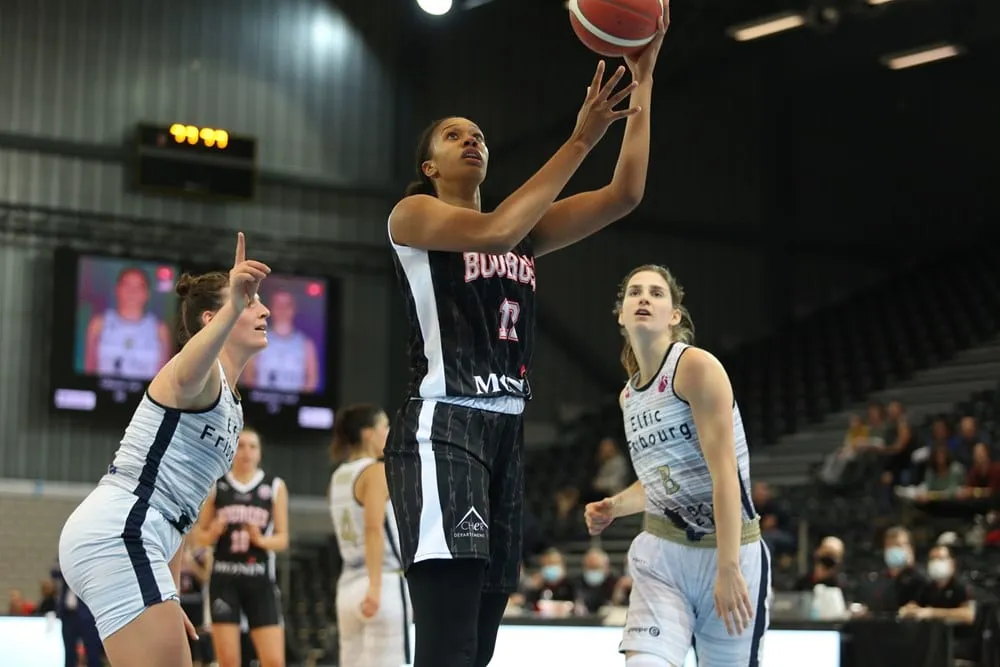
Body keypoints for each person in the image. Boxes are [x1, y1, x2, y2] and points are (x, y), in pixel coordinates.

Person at [384, 13, 667, 665]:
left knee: (479, 647)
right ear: (429, 164)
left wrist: (644, 79)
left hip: (507, 435)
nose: (472, 140)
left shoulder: (524, 228)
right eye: (455, 135)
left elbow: (625, 194)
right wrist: (580, 138)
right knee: (448, 645)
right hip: (444, 429)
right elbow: (492, 234)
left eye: (479, 134)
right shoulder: (414, 216)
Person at [58, 232, 271, 667]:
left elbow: (179, 514)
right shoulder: (197, 373)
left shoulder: (231, 402)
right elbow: (191, 370)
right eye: (251, 302)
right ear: (214, 318)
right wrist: (234, 307)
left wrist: (170, 594)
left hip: (141, 535)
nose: (263, 309)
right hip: (120, 530)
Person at [585, 264, 770, 667]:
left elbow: (725, 476)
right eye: (635, 292)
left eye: (655, 292)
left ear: (673, 315)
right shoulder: (628, 397)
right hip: (663, 554)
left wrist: (727, 567)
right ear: (621, 314)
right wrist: (615, 505)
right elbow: (661, 480)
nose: (644, 298)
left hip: (730, 550)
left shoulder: (696, 368)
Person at [193, 427, 289, 667]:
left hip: (259, 579)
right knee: (228, 662)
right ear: (232, 450)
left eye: (253, 446)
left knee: (274, 661)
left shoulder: (274, 486)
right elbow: (198, 537)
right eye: (242, 445)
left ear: (260, 453)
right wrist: (212, 532)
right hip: (225, 579)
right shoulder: (217, 485)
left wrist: (261, 541)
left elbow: (283, 539)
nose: (247, 451)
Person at [329, 404, 411, 667]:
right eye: (384, 426)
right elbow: (373, 528)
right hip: (381, 582)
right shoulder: (375, 471)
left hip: (348, 585)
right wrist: (375, 587)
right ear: (368, 434)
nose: (388, 432)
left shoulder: (338, 475)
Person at [84, 266, 173, 380]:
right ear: (117, 289)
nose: (132, 292)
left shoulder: (160, 330)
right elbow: (89, 371)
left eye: (138, 287)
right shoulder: (98, 325)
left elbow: (163, 379)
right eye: (127, 285)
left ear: (147, 293)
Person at [243, 289, 319, 393]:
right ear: (271, 309)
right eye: (278, 305)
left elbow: (312, 380)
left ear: (294, 309)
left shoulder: (306, 344)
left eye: (287, 305)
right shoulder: (256, 339)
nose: (282, 310)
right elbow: (248, 376)